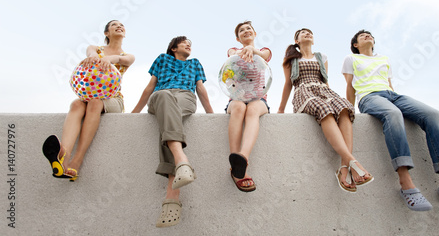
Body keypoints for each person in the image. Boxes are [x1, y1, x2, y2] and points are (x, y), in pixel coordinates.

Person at [342, 29, 439, 211]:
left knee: (432, 114)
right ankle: (406, 183)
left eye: (370, 35)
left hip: (392, 95)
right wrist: (350, 110)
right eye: (362, 36)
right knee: (393, 114)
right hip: (369, 97)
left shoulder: (384, 59)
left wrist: (395, 97)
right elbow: (350, 86)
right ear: (355, 45)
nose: (367, 36)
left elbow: (389, 84)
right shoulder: (351, 59)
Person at [278, 28, 373, 193]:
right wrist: (281, 109)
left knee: (343, 106)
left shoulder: (322, 57)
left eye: (310, 33)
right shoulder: (291, 60)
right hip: (303, 91)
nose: (307, 34)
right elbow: (288, 84)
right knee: (323, 108)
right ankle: (353, 162)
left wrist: (333, 98)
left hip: (323, 89)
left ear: (313, 41)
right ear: (297, 41)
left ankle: (344, 168)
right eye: (303, 33)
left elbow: (325, 80)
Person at [132, 36, 213, 228]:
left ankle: (172, 198)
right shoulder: (162, 59)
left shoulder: (195, 63)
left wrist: (211, 113)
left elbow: (200, 89)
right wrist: (134, 112)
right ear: (174, 47)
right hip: (160, 97)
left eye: (190, 44)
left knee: (168, 123)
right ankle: (181, 161)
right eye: (185, 43)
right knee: (163, 95)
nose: (189, 45)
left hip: (185, 97)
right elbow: (150, 87)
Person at [42, 20, 135, 181]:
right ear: (106, 33)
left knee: (95, 103)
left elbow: (123, 61)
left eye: (122, 25)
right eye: (114, 25)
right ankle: (63, 155)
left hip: (113, 100)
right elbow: (90, 53)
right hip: (89, 96)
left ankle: (77, 160)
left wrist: (109, 59)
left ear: (124, 33)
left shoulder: (127, 56)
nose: (119, 26)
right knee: (76, 103)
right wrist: (94, 58)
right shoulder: (95, 49)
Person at [225, 21, 272, 192]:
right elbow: (231, 57)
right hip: (236, 99)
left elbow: (264, 56)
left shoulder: (264, 51)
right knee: (238, 106)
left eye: (248, 29)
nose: (246, 31)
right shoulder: (233, 51)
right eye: (241, 30)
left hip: (258, 99)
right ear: (238, 38)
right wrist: (243, 51)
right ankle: (234, 162)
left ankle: (242, 158)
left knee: (252, 109)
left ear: (255, 33)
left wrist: (253, 50)